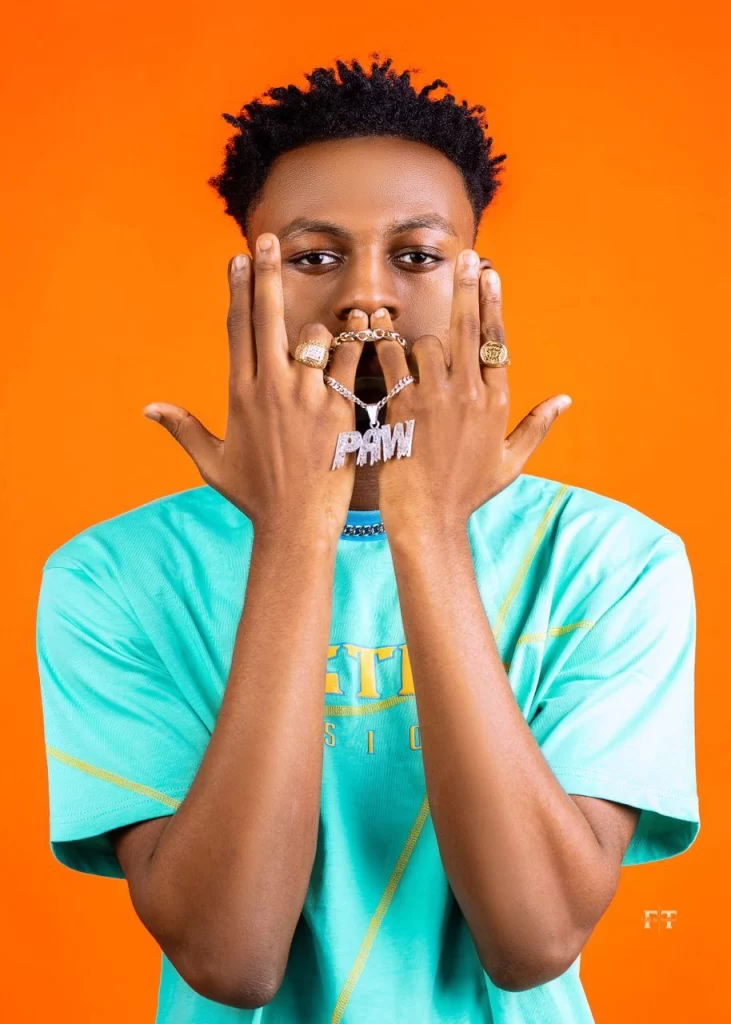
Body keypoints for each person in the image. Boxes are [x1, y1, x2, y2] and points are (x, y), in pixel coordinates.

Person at [36, 54, 700, 1023]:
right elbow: (230, 958)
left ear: (477, 285)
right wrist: (295, 529)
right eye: (312, 257)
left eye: (416, 256)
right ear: (246, 289)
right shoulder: (112, 578)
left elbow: (532, 940)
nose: (365, 298)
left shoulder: (611, 562)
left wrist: (424, 527)